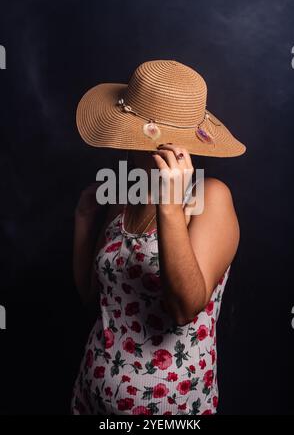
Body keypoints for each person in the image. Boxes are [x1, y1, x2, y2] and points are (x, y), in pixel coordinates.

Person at [71, 60, 246, 415]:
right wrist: (83, 220)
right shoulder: (124, 193)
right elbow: (97, 299)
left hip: (170, 409)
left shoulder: (209, 197)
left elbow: (184, 308)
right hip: (91, 396)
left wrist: (169, 206)